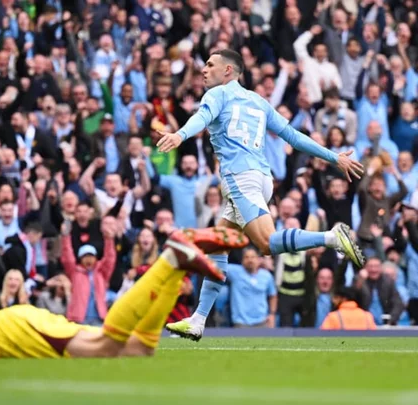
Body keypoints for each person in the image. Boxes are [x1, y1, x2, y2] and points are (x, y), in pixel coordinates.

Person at [155, 49, 366, 341]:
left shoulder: (217, 95)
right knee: (219, 244)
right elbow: (293, 135)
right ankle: (198, 320)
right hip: (261, 178)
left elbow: (201, 118)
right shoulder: (258, 101)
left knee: (266, 244)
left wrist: (180, 135)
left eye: (209, 65)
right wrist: (334, 158)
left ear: (228, 71)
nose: (203, 70)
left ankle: (331, 238)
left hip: (240, 178)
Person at [0, 229, 245, 359]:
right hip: (5, 325)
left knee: (106, 346)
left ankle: (171, 261)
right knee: (137, 350)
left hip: (1, 332)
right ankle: (176, 265)